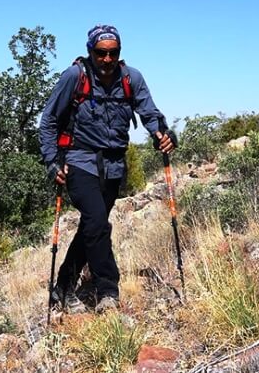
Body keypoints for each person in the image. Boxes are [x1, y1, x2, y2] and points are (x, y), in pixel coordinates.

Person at [39, 24, 175, 313]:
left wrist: (161, 133)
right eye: (101, 53)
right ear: (91, 51)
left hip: (114, 165)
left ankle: (62, 287)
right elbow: (49, 120)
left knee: (92, 226)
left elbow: (149, 112)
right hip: (79, 160)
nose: (107, 59)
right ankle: (108, 292)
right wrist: (52, 160)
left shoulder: (131, 78)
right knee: (98, 223)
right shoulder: (75, 77)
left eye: (113, 53)